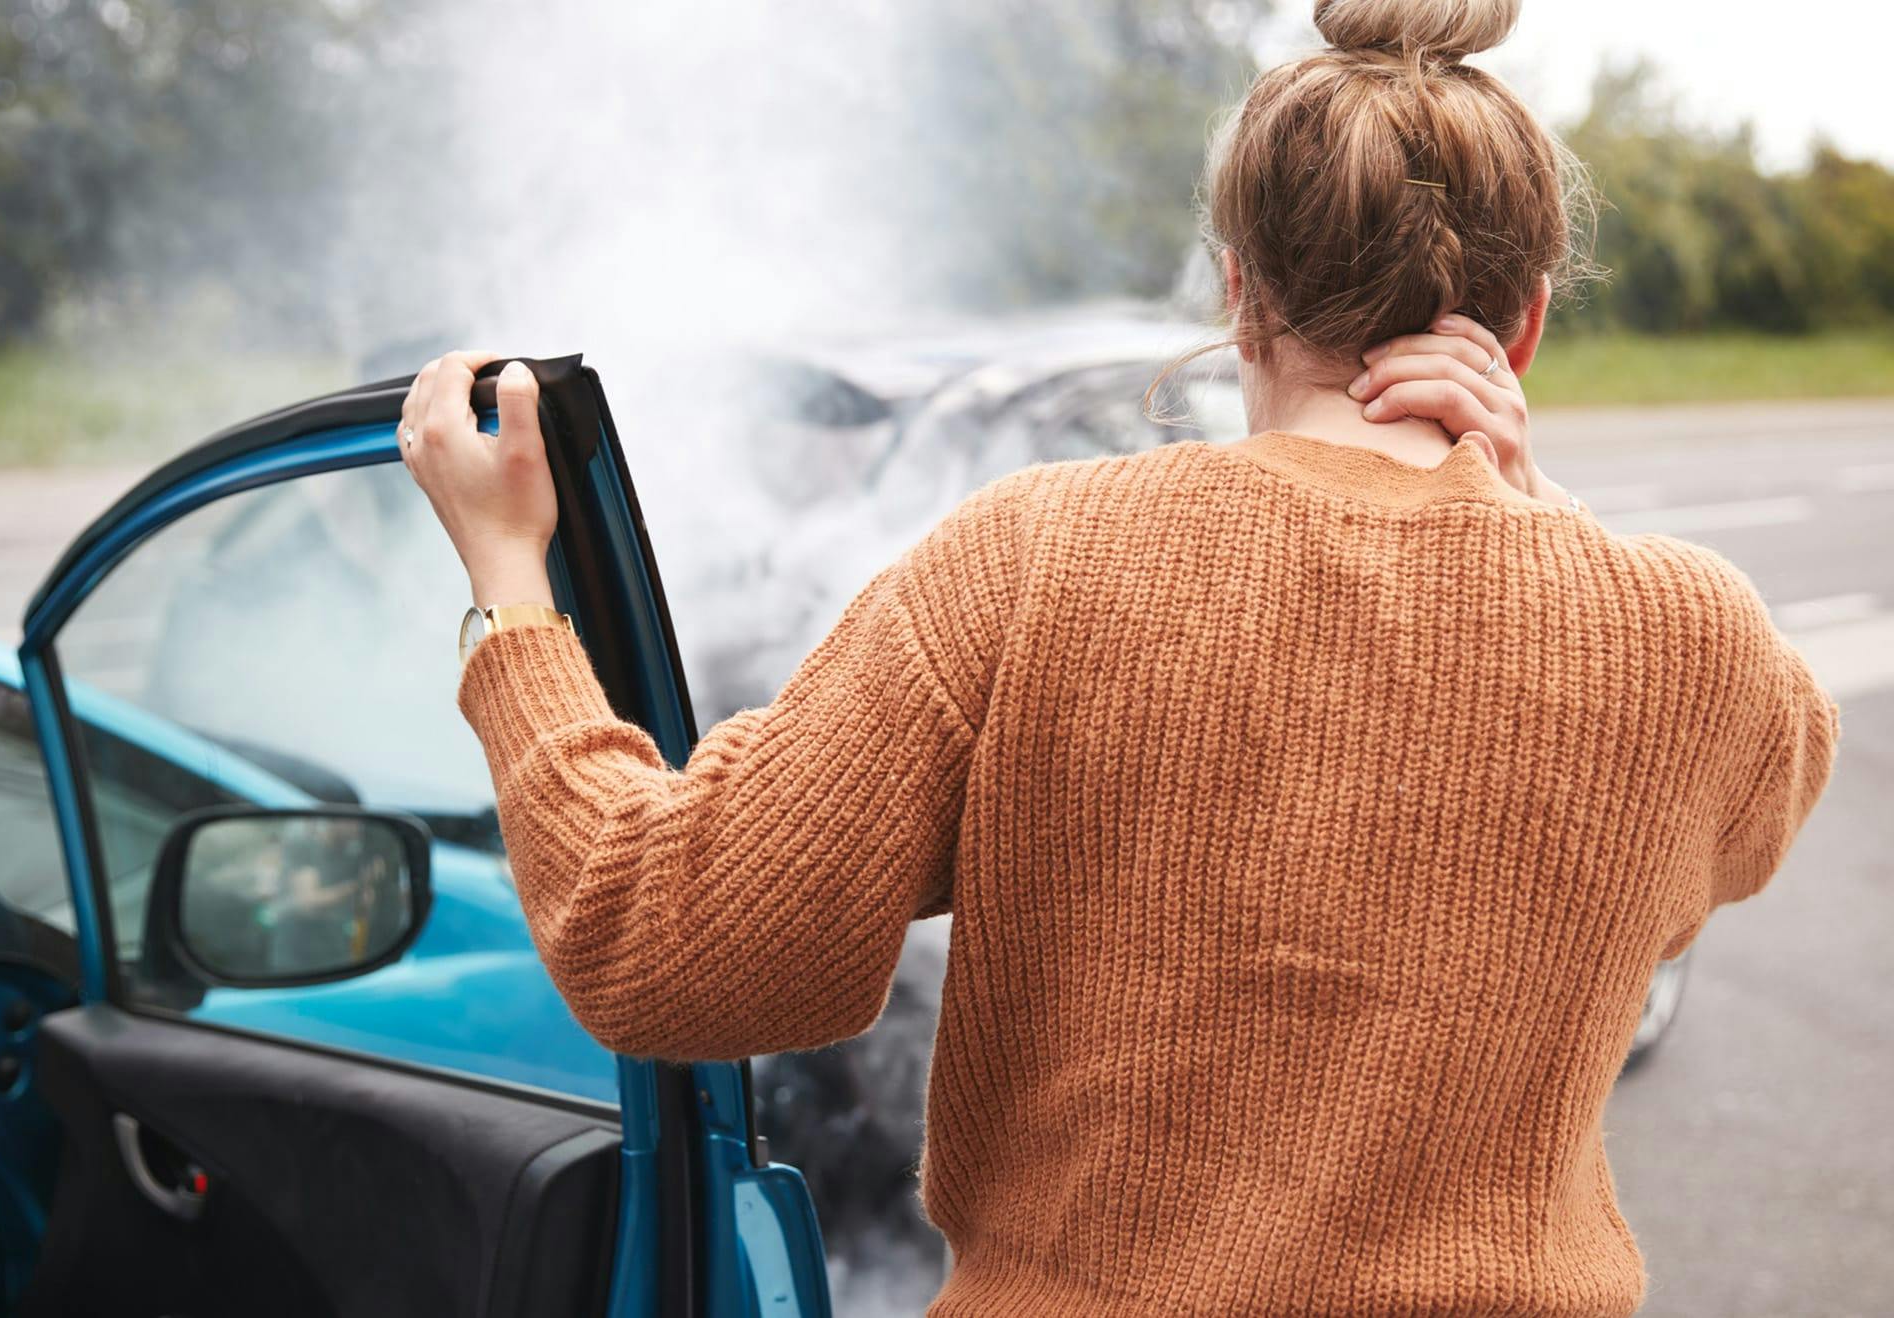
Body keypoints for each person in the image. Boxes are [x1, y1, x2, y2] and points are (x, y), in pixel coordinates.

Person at [400, 0, 1839, 1311]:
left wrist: (513, 593)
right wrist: (1532, 507)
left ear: (1238, 297)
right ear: (1524, 326)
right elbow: (1773, 784)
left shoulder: (1035, 557)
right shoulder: (1688, 641)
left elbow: (669, 943)